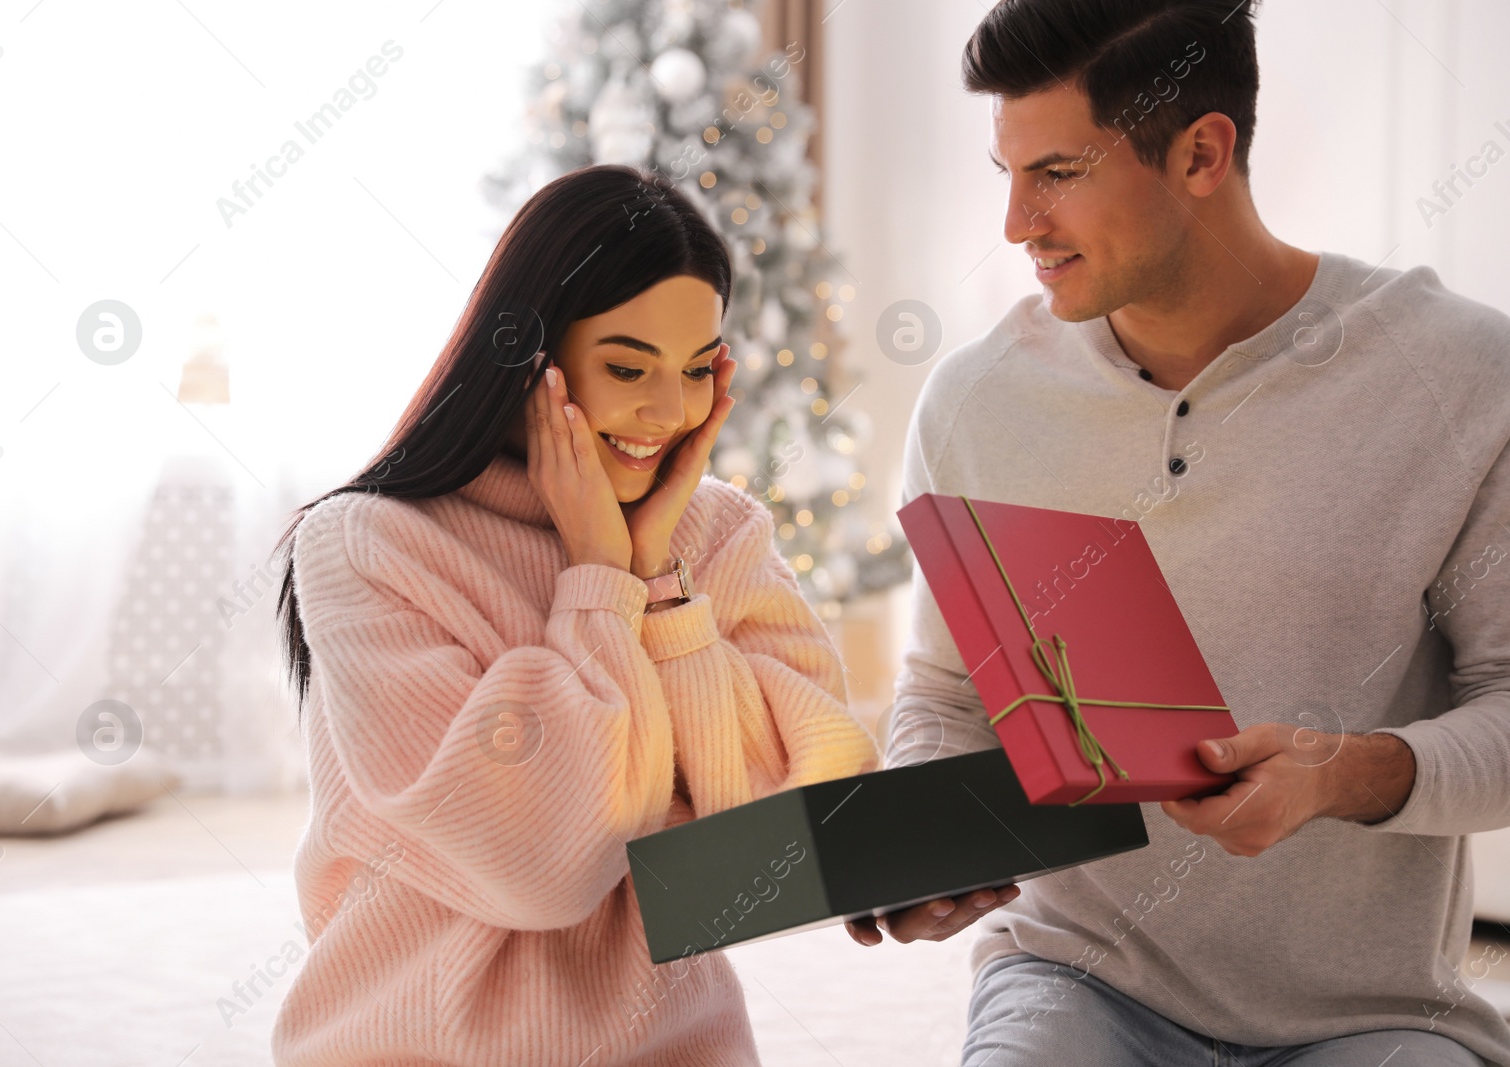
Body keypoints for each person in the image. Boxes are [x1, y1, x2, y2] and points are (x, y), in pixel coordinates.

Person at [851, 1, 1510, 1064]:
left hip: (1373, 1015)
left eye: (1057, 173)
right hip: (1074, 977)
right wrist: (935, 839)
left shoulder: (1463, 378)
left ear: (1202, 152)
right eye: (1006, 174)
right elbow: (946, 689)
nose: (1016, 223)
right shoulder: (976, 400)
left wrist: (1346, 773)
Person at [270, 163, 878, 1066]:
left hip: (680, 1044)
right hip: (419, 1045)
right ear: (529, 358)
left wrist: (661, 580)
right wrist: (599, 577)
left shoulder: (715, 531)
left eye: (698, 369)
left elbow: (780, 830)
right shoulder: (367, 546)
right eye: (627, 366)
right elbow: (540, 867)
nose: (668, 411)